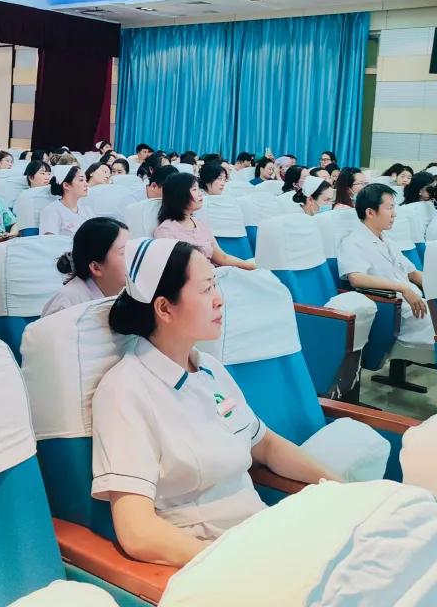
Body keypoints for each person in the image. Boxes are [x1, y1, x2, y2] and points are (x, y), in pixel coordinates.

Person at [93, 238, 336, 566]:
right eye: (206, 289)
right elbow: (138, 532)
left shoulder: (209, 368)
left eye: (215, 285)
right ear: (164, 308)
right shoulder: (125, 390)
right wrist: (233, 566)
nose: (220, 300)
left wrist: (339, 486)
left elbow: (266, 445)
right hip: (210, 555)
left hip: (261, 533)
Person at [338, 183, 433, 357]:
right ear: (370, 212)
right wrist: (402, 287)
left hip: (414, 302)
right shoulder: (353, 242)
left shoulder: (387, 241)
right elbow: (356, 278)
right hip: (391, 311)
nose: (394, 214)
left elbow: (412, 273)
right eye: (389, 208)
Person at [154, 172, 254, 270]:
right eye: (194, 189)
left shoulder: (200, 224)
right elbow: (177, 269)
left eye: (198, 189)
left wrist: (253, 267)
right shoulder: (166, 231)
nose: (200, 193)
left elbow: (222, 258)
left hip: (216, 273)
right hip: (201, 279)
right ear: (179, 195)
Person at [41, 218, 130, 317]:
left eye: (132, 248)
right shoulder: (65, 307)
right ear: (96, 268)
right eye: (124, 252)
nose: (135, 256)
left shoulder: (126, 293)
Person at [39, 165, 95, 237]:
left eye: (86, 180)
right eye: (81, 180)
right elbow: (50, 241)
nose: (86, 184)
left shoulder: (87, 210)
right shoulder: (51, 211)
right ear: (66, 185)